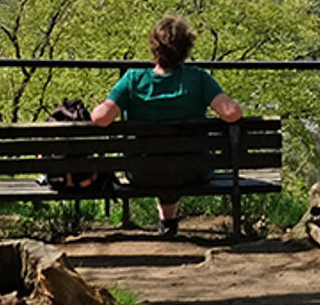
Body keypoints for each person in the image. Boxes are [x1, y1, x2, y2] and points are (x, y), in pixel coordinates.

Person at [92, 16, 243, 238]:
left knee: (160, 163)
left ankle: (168, 222)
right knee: (175, 163)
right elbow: (231, 113)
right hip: (193, 171)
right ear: (186, 49)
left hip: (141, 173)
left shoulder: (133, 79)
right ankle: (168, 221)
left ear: (154, 47)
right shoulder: (198, 78)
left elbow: (100, 119)